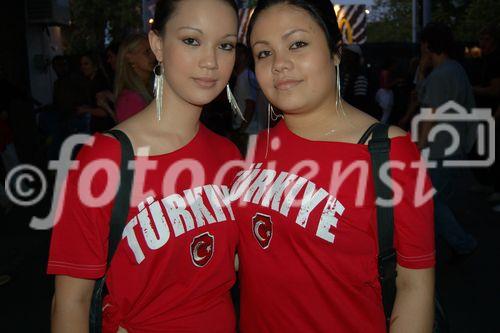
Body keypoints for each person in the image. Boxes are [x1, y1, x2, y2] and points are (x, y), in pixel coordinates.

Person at [233, 0, 436, 332]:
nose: (280, 64)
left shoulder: (389, 152)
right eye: (264, 53)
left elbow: (415, 287)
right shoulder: (258, 148)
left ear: (335, 51)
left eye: (297, 44)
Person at [48, 0, 241, 332]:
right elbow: (71, 301)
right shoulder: (104, 160)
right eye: (192, 40)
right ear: (157, 45)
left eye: (225, 45)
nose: (211, 61)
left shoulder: (228, 156)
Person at [417, 22, 478, 258]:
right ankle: (453, 242)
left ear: (429, 46)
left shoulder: (441, 75)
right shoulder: (456, 70)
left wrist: (421, 146)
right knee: (441, 199)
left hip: (440, 148)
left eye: (423, 46)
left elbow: (429, 113)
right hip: (455, 144)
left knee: (431, 202)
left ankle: (462, 243)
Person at [473, 24, 500, 210]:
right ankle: (492, 186)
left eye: (486, 39)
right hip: (488, 112)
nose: (482, 43)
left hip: (494, 113)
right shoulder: (487, 60)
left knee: (494, 151)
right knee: (488, 151)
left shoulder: (495, 61)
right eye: (481, 39)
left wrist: (473, 89)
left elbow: (496, 90)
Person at [114, 33, 155, 123]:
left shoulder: (149, 87)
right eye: (147, 52)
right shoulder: (129, 99)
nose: (153, 56)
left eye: (153, 50)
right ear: (130, 58)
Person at [77, 53, 115, 133]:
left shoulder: (99, 83)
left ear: (95, 66)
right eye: (81, 64)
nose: (83, 67)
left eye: (86, 64)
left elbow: (104, 112)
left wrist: (85, 110)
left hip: (104, 127)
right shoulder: (91, 82)